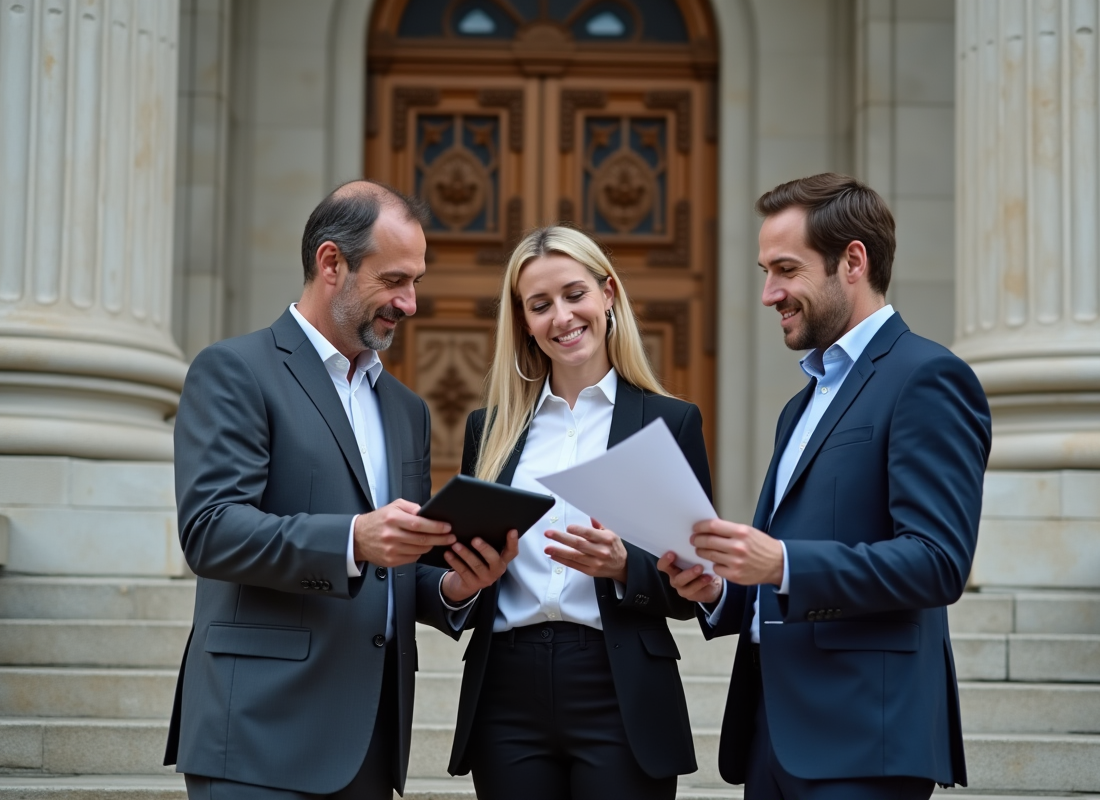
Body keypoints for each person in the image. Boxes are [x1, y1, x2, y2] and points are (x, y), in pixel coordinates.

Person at [164, 180, 515, 800]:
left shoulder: (407, 409)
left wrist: (454, 587)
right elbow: (211, 531)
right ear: (331, 263)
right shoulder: (235, 370)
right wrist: (354, 538)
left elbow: (395, 567)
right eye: (394, 280)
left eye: (416, 283)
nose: (410, 303)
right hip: (258, 735)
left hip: (371, 742)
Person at [659, 173, 991, 800]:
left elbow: (938, 562)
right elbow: (786, 569)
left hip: (865, 739)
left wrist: (782, 562)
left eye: (786, 270)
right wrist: (721, 589)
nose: (769, 294)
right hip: (771, 739)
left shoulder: (928, 377)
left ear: (853, 262)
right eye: (766, 272)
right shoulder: (800, 405)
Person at [446, 225, 711, 800]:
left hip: (619, 686)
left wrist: (625, 566)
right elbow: (457, 565)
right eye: (540, 305)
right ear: (524, 322)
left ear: (607, 293)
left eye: (574, 294)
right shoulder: (489, 430)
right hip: (506, 690)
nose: (561, 317)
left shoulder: (669, 422)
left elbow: (693, 587)